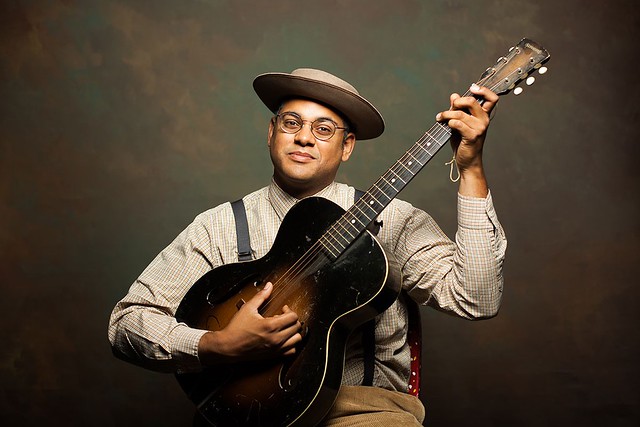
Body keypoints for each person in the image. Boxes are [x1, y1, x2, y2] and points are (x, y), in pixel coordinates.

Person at [108, 68, 506, 426]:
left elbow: (477, 298)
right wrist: (217, 345)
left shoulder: (394, 220)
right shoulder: (219, 226)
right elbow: (127, 323)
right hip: (237, 418)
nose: (304, 136)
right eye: (291, 122)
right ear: (271, 132)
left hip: (364, 413)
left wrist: (470, 169)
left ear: (347, 146)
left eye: (324, 129)